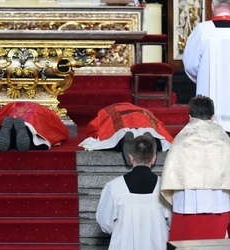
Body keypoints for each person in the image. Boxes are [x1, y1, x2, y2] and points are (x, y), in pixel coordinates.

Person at [161, 95, 230, 241]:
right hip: (218, 202)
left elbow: (171, 175)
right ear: (212, 116)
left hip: (187, 203)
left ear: (189, 116)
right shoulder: (225, 141)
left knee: (186, 240)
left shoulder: (181, 141)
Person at [96, 135, 171, 250]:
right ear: (154, 159)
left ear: (131, 158)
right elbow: (173, 223)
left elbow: (105, 223)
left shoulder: (114, 187)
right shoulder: (164, 188)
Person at [182, 0, 230, 136]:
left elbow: (190, 63)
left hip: (210, 100)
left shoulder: (203, 30)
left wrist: (203, 76)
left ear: (212, 6)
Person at [78, 102, 173, 166]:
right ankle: (154, 142)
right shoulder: (145, 111)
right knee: (161, 140)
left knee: (113, 141)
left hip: (122, 124)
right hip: (144, 121)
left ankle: (123, 142)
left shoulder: (106, 111)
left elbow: (93, 127)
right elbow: (160, 124)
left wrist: (92, 135)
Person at [0, 101, 69, 152]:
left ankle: (2, 135)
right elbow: (59, 130)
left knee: (10, 131)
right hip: (28, 128)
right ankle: (26, 136)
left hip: (7, 127)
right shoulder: (40, 110)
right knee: (30, 134)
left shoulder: (9, 108)